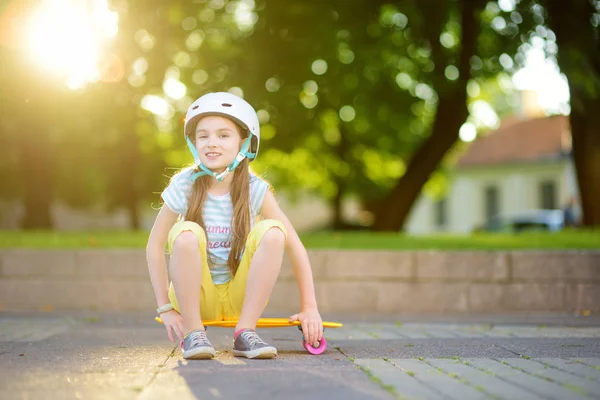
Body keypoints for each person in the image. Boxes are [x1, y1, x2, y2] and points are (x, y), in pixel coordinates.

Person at [146, 92, 323, 360]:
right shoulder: (185, 184)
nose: (211, 143)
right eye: (203, 136)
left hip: (240, 299)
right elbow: (155, 245)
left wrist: (310, 307)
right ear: (194, 143)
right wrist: (165, 308)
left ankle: (245, 333)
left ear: (245, 141)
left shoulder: (255, 189)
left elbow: (295, 246)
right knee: (186, 233)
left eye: (223, 135)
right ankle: (194, 333)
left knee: (274, 231)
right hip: (195, 298)